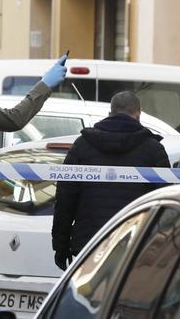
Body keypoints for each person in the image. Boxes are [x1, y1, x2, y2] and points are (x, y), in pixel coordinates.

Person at [52, 91, 170, 270]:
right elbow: (164, 201)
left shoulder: (82, 146)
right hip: (136, 244)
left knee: (87, 296)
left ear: (110, 113)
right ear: (138, 114)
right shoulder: (153, 150)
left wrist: (60, 246)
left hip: (90, 244)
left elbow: (65, 200)